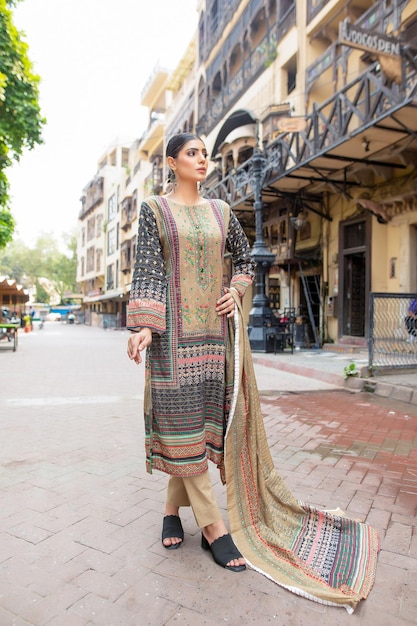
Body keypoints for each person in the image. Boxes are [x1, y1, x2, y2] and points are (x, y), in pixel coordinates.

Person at [127, 132, 255, 572]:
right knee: (182, 429)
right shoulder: (154, 210)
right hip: (171, 343)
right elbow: (147, 269)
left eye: (205, 153)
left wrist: (235, 291)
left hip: (214, 341)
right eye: (192, 153)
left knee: (197, 434)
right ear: (171, 162)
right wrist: (144, 327)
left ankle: (170, 511)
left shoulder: (221, 212)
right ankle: (214, 528)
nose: (202, 160)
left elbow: (245, 259)